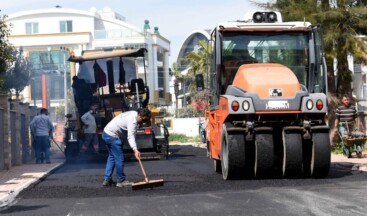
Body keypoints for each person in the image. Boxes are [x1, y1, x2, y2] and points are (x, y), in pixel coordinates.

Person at [102, 108, 151, 187]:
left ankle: (107, 179)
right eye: (142, 119)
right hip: (112, 136)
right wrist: (135, 150)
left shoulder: (133, 113)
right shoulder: (133, 121)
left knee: (112, 157)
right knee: (119, 158)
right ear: (139, 115)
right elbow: (131, 137)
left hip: (106, 133)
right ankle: (121, 181)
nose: (142, 122)